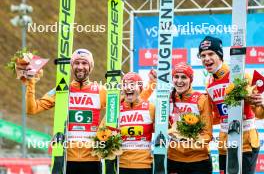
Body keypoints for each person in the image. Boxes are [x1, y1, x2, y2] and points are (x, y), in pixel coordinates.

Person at [15, 48, 156, 174]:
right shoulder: (62, 90)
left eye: (84, 63)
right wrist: (31, 84)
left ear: (90, 67)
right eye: (76, 63)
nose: (80, 67)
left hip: (93, 159)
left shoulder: (100, 91)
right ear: (71, 66)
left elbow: (129, 103)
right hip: (65, 158)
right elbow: (32, 109)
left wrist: (150, 86)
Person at [198, 36, 264, 174]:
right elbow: (217, 116)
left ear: (220, 56)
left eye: (211, 54)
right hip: (224, 144)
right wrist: (197, 122)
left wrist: (261, 103)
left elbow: (259, 114)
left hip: (246, 142)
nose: (206, 58)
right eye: (203, 55)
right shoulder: (209, 84)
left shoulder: (241, 76)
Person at [167, 63, 213, 174]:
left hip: (198, 160)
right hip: (174, 159)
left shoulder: (201, 99)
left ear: (190, 80)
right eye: (176, 77)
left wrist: (189, 142)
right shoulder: (167, 99)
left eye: (184, 77)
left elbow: (207, 134)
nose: (179, 81)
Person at [118, 72, 155, 174]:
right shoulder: (115, 109)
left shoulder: (150, 108)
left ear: (140, 88)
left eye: (132, 84)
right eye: (124, 84)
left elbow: (162, 130)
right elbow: (102, 131)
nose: (128, 87)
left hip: (144, 165)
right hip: (121, 165)